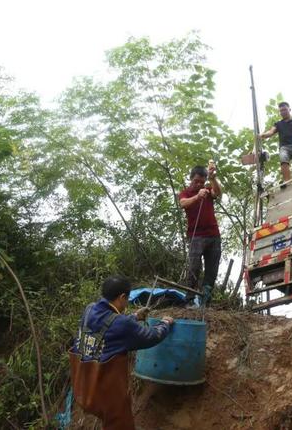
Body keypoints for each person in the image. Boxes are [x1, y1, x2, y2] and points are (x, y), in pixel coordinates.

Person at [69, 275, 174, 430]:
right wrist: (165, 324)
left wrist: (135, 316)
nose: (126, 303)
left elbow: (108, 325)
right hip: (107, 395)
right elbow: (152, 336)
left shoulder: (89, 309)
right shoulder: (122, 324)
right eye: (127, 299)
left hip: (83, 388)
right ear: (122, 297)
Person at [179, 162, 222, 305]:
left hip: (213, 235)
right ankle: (189, 299)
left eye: (201, 182)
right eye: (196, 181)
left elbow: (218, 193)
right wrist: (197, 197)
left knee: (212, 270)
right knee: (194, 267)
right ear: (191, 179)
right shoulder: (185, 192)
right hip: (196, 236)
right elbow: (183, 203)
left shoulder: (207, 189)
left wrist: (213, 179)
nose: (198, 184)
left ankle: (205, 301)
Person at [259, 101, 292, 183]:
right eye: (281, 111)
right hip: (284, 147)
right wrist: (262, 135)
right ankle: (287, 182)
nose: (283, 112)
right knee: (283, 160)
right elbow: (271, 132)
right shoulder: (278, 124)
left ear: (289, 109)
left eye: (284, 110)